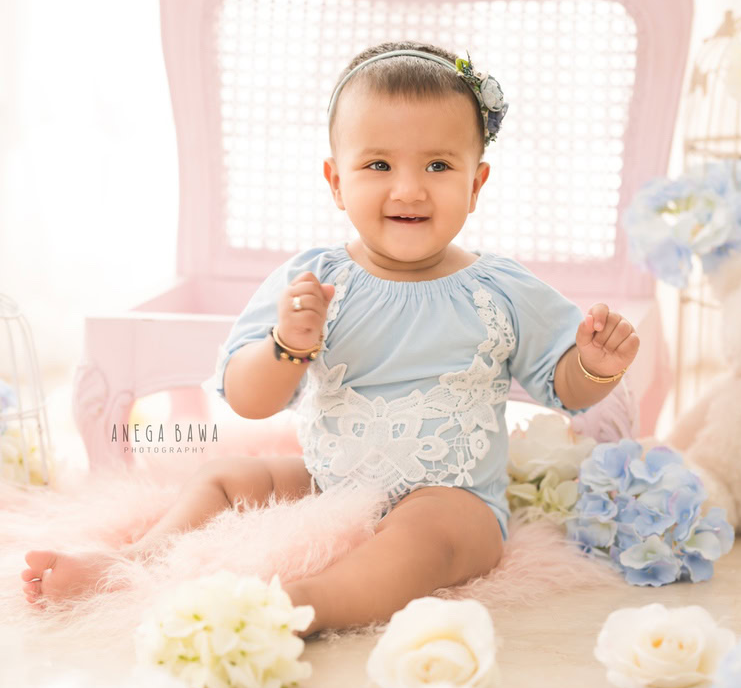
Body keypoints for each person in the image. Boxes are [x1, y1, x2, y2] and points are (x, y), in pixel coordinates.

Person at [22, 40, 640, 633]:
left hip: (454, 498)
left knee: (425, 535)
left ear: (476, 184)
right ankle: (133, 564)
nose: (408, 188)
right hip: (334, 479)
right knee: (230, 476)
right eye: (378, 164)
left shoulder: (500, 287)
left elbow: (569, 391)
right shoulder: (314, 280)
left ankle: (305, 603)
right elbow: (248, 399)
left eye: (438, 164)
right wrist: (287, 346)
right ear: (336, 181)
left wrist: (592, 365)